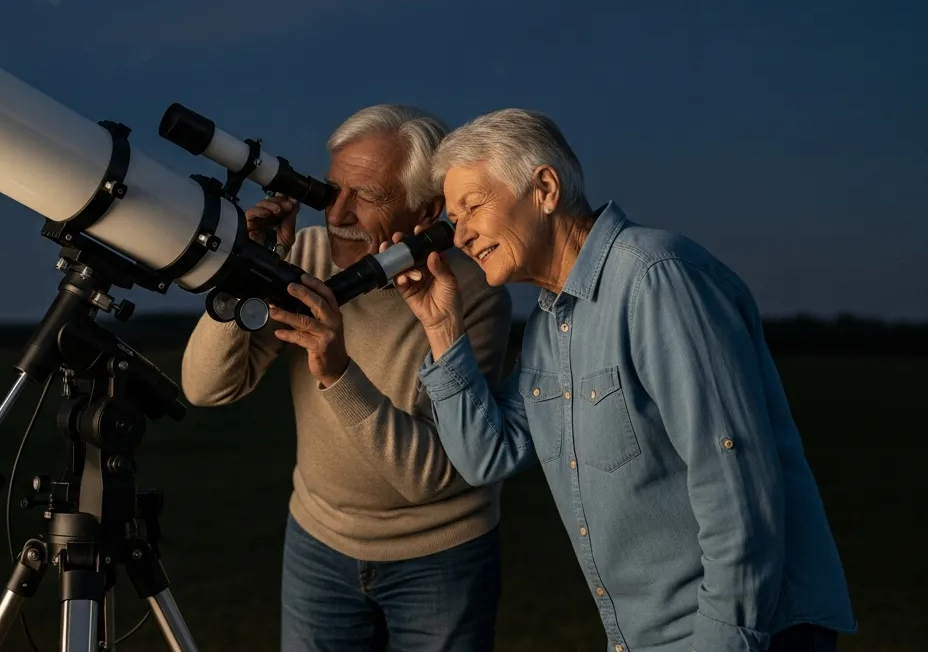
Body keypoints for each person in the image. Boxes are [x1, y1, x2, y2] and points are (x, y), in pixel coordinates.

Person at [387, 108, 856, 652]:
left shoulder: (657, 278)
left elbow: (735, 484)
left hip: (744, 633)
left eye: (472, 207)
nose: (460, 236)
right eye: (452, 218)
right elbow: (485, 456)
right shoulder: (548, 325)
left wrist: (723, 640)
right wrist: (442, 326)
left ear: (544, 188)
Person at [179, 104, 514, 652]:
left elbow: (431, 476)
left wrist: (337, 372)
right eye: (331, 189)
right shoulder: (302, 257)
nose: (338, 213)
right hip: (319, 541)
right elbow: (207, 387)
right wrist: (245, 267)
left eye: (368, 196)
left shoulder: (472, 296)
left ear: (427, 209)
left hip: (440, 553)